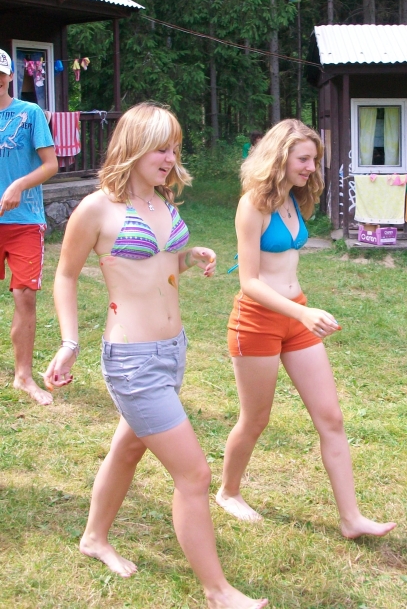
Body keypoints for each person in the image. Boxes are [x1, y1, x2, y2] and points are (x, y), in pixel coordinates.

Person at [44, 103, 268, 609]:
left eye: (174, 148)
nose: (170, 158)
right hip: (133, 360)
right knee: (194, 475)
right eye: (161, 148)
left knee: (128, 449)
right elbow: (66, 276)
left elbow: (158, 266)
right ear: (134, 147)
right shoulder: (97, 208)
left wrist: (190, 257)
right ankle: (218, 591)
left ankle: (93, 538)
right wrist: (69, 342)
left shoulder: (162, 201)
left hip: (172, 351)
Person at [216, 119, 397, 540]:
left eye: (314, 160)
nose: (311, 168)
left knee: (331, 417)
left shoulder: (294, 199)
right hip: (256, 322)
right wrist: (301, 314)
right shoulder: (252, 205)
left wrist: (300, 313)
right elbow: (249, 281)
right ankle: (228, 491)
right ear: (279, 157)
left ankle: (351, 519)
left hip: (296, 317)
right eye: (304, 159)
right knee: (255, 419)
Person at [0, 48, 58, 406]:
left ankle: (23, 376)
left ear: (9, 76)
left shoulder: (29, 112)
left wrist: (18, 185)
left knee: (25, 296)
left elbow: (50, 164)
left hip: (25, 221)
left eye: (0, 74)